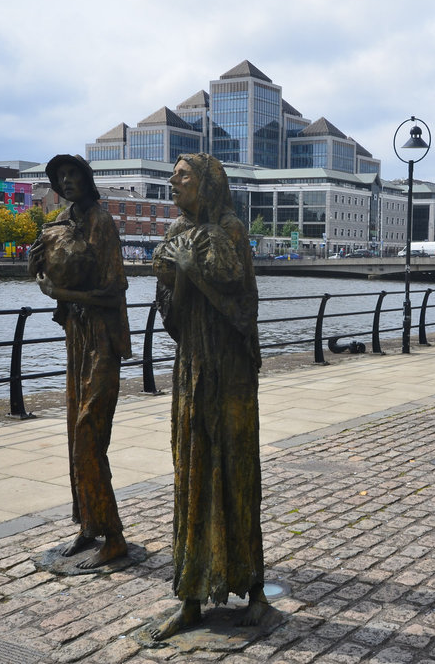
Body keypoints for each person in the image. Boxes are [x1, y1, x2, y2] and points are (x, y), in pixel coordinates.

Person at [150, 153, 268, 640]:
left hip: (230, 371)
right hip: (193, 367)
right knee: (192, 469)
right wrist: (180, 274)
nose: (173, 183)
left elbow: (241, 303)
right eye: (174, 176)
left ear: (206, 184)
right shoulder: (175, 232)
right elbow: (173, 319)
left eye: (183, 176)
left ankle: (254, 589)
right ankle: (192, 595)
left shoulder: (231, 229)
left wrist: (192, 269)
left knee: (236, 468)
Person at [28, 154, 131, 569]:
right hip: (77, 335)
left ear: (87, 179)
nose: (67, 181)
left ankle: (115, 536)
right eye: (60, 176)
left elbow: (114, 289)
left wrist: (62, 295)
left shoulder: (101, 223)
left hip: (103, 337)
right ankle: (89, 525)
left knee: (90, 431)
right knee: (75, 431)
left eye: (73, 174)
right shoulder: (58, 221)